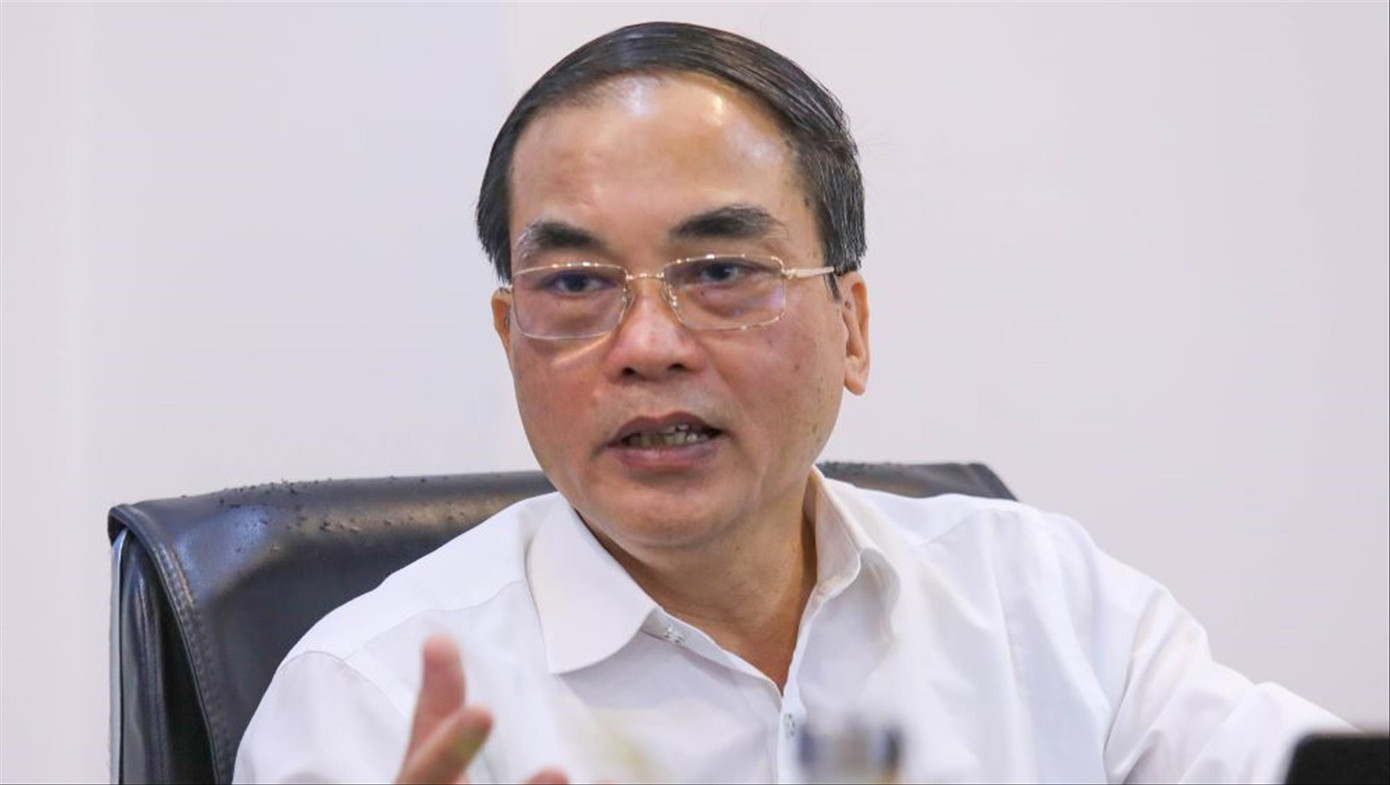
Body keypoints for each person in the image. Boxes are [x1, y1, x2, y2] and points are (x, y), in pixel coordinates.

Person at [233, 21, 1344, 784]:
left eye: (721, 271)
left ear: (851, 326)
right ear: (509, 337)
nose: (648, 345)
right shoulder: (368, 700)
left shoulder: (1042, 605)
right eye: (574, 285)